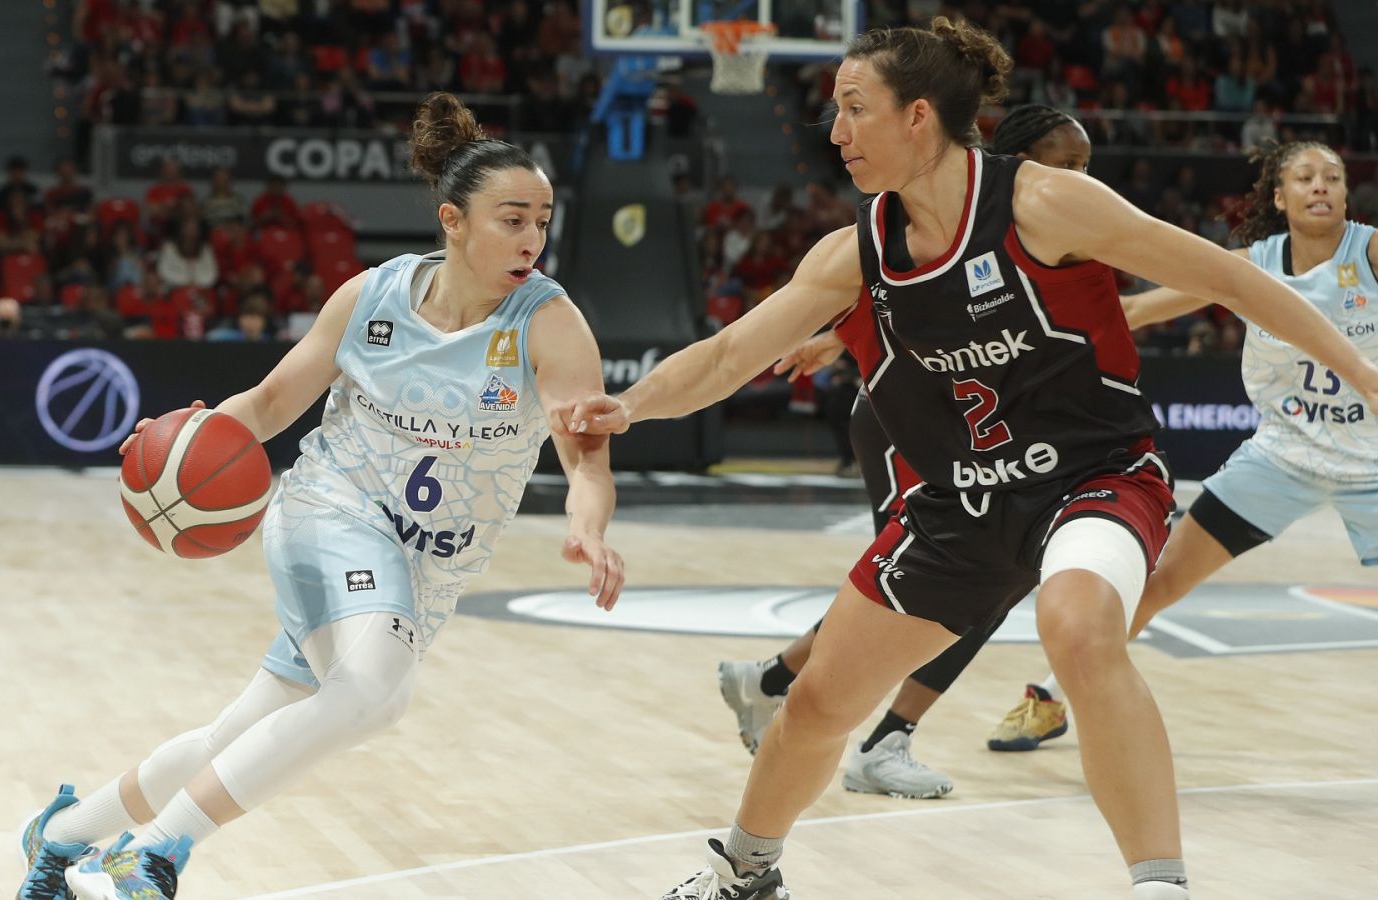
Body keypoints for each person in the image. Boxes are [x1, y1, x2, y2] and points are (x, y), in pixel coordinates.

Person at [561, 20, 1378, 900]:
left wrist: (1365, 372)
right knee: (816, 706)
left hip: (1093, 478)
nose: (833, 132)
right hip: (959, 503)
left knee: (1077, 627)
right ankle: (748, 874)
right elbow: (728, 357)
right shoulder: (856, 250)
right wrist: (631, 404)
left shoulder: (1045, 203)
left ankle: (1160, 885)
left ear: (918, 117)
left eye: (852, 109)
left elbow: (1234, 279)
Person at [15, 93, 626, 900]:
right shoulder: (368, 297)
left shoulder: (550, 324)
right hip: (326, 509)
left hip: (424, 570)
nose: (531, 240)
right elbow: (268, 406)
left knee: (242, 736)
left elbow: (587, 463)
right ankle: (150, 854)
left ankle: (62, 837)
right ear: (453, 220)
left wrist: (591, 529)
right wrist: (178, 442)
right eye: (511, 219)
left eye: (541, 220)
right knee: (375, 693)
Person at [717, 104, 1095, 799]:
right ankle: (879, 739)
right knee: (940, 583)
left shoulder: (1060, 234)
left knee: (952, 584)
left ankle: (773, 681)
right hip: (912, 428)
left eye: (1084, 165)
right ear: (1016, 164)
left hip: (970, 433)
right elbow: (910, 300)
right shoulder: (977, 223)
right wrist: (836, 336)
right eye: (1062, 163)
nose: (1078, 178)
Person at [990, 140, 1378, 750]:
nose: (1321, 186)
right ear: (1280, 197)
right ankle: (1051, 698)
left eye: (1332, 175)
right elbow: (1139, 307)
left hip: (1373, 465)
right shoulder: (1250, 263)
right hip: (1283, 457)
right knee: (1160, 580)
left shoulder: (1371, 250)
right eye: (1305, 177)